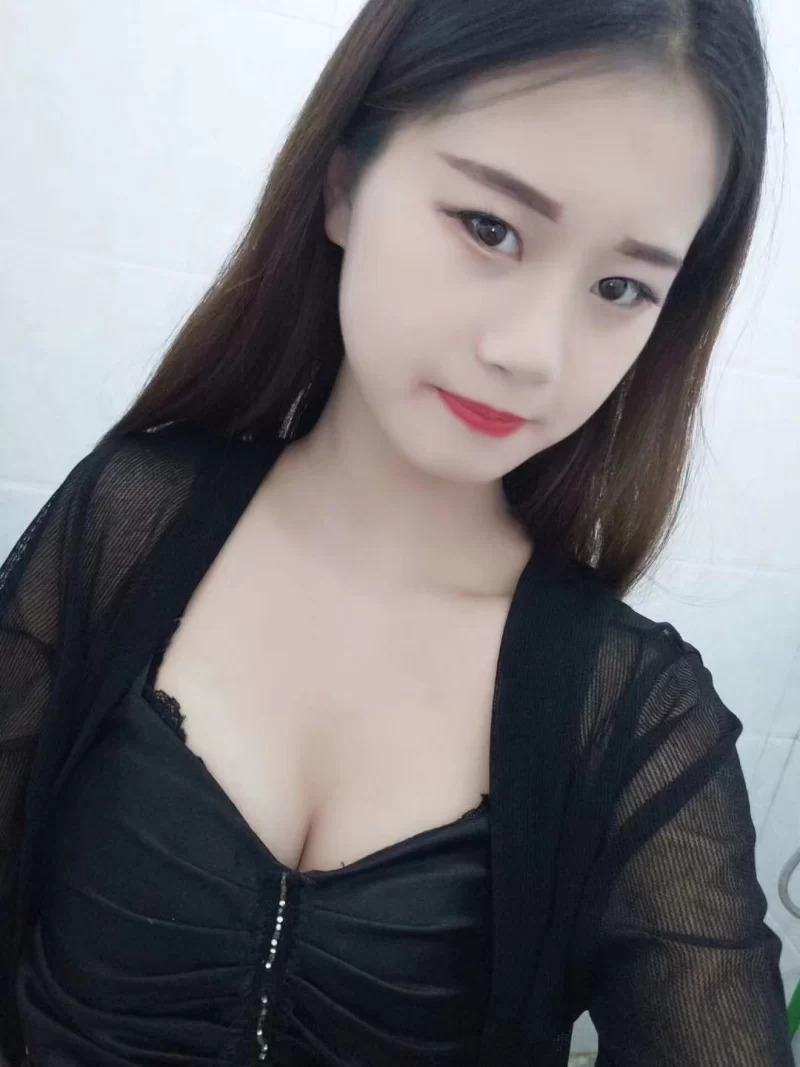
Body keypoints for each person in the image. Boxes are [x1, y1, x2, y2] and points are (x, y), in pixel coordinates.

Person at [0, 0, 793, 1064]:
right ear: (343, 182)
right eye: (489, 227)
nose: (532, 352)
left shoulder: (635, 719)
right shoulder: (128, 523)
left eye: (619, 286)